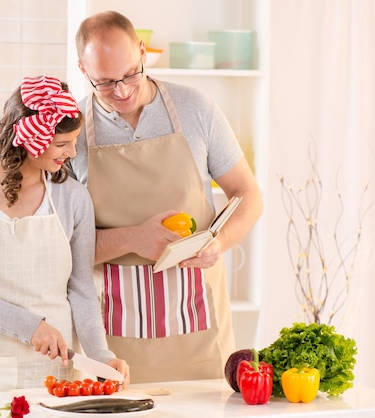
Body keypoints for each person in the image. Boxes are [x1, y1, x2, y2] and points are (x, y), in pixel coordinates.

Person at [69, 11, 264, 383]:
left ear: (142, 52)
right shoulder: (72, 133)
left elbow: (249, 195)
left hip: (198, 322)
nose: (122, 91)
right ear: (82, 70)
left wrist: (218, 243)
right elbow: (63, 246)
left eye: (130, 74)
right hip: (111, 337)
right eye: (105, 83)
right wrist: (133, 238)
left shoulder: (195, 109)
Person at [0, 75, 129, 392]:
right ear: (31, 137)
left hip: (60, 372)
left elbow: (81, 288)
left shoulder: (73, 197)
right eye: (62, 143)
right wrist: (31, 327)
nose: (71, 153)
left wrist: (101, 357)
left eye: (74, 142)